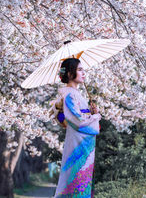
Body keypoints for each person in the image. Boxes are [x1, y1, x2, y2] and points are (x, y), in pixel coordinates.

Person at [52, 58, 101, 198]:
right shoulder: (70, 94)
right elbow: (77, 121)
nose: (83, 73)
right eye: (79, 70)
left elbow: (81, 117)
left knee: (81, 178)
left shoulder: (76, 93)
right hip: (78, 142)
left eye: (82, 70)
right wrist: (96, 117)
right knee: (76, 177)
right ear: (69, 74)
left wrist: (92, 112)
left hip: (83, 142)